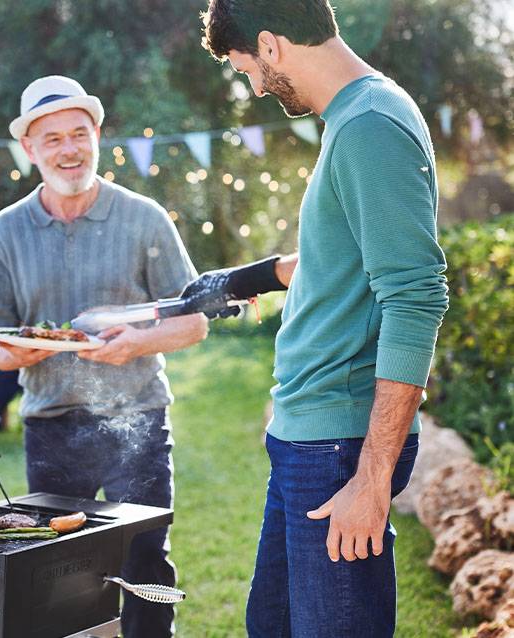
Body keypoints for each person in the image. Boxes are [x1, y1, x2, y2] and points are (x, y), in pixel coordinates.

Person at [183, 2, 450, 635]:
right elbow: (343, 257)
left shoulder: (370, 127)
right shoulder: (355, 118)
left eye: (248, 68)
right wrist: (247, 278)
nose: (254, 86)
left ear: (271, 45)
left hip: (339, 445)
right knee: (271, 625)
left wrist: (372, 476)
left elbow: (415, 296)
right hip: (308, 435)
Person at [0, 75, 209, 637]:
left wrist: (138, 342)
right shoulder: (4, 232)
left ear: (98, 135)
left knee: (144, 561)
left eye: (79, 133)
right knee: (54, 571)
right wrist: (22, 353)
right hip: (50, 425)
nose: (69, 148)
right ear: (29, 149)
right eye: (51, 138)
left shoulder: (143, 216)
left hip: (138, 421)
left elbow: (195, 321)